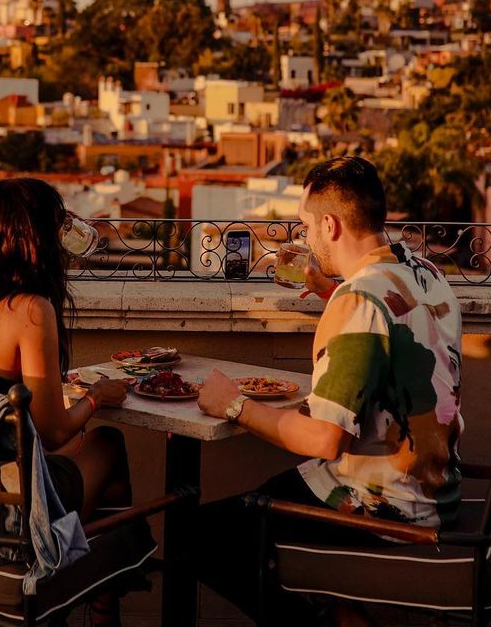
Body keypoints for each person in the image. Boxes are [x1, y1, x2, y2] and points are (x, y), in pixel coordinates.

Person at [195, 156, 464, 625]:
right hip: (434, 490)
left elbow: (324, 439)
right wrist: (332, 293)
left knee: (201, 536)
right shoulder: (425, 273)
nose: (305, 237)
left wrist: (233, 404)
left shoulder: (359, 300)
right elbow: (396, 327)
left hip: (381, 506)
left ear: (330, 224)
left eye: (305, 225)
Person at [0, 178, 131, 625]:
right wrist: (96, 398)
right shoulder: (30, 309)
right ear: (35, 234)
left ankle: (93, 598)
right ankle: (95, 603)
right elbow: (52, 434)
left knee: (106, 496)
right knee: (108, 444)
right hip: (7, 505)